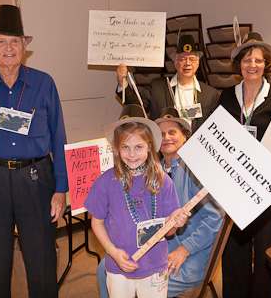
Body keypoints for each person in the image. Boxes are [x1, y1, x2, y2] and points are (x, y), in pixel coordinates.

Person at [0, 4, 68, 298]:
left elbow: (59, 137)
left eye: (15, 41)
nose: (9, 48)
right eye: (2, 41)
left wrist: (61, 189)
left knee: (41, 257)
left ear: (24, 47)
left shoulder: (44, 83)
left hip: (36, 178)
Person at [96, 107, 224, 298]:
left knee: (141, 281)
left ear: (185, 136)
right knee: (104, 267)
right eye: (161, 134)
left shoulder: (195, 171)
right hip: (155, 247)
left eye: (172, 132)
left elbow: (216, 218)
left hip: (187, 256)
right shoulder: (153, 172)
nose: (166, 138)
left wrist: (184, 250)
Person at [219, 32, 271, 298]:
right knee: (235, 248)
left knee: (267, 247)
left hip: (268, 182)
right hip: (235, 182)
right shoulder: (227, 97)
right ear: (238, 64)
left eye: (258, 60)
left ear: (267, 64)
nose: (252, 65)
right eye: (246, 59)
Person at [85, 105, 190, 298]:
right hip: (118, 265)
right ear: (116, 148)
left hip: (155, 265)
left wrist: (176, 221)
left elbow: (170, 231)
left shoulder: (163, 181)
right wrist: (112, 251)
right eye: (125, 147)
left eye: (138, 147)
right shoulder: (105, 182)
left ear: (150, 147)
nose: (131, 154)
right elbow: (97, 222)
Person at [116, 34, 219, 132]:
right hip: (165, 146)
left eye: (192, 59)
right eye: (182, 59)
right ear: (175, 63)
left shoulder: (210, 94)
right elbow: (137, 107)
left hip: (195, 148)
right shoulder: (157, 87)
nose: (187, 63)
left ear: (197, 63)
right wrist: (122, 82)